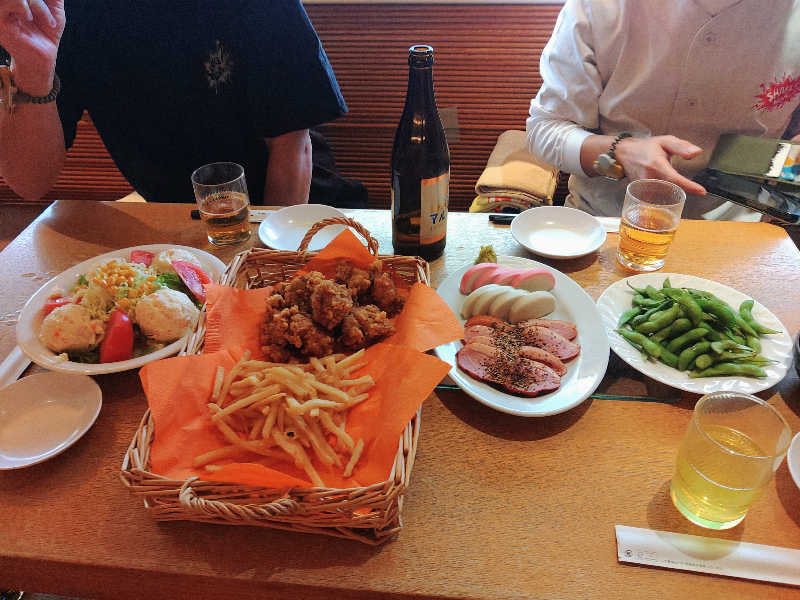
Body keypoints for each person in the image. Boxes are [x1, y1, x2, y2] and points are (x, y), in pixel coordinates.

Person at [0, 0, 348, 205]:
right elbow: (29, 183)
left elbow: (292, 147)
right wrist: (34, 69)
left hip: (295, 212)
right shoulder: (64, 12)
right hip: (172, 225)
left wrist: (261, 268)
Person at [526, 0, 800, 219]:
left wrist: (791, 162)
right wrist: (621, 151)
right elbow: (545, 129)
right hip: (606, 219)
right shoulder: (602, 7)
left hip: (741, 228)